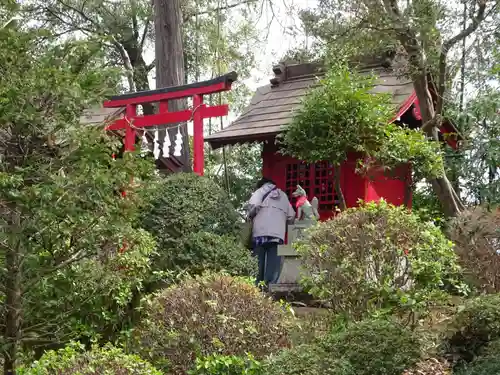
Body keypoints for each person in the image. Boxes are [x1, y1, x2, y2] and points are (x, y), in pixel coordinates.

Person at [246, 177, 295, 289]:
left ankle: (256, 286)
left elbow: (253, 206)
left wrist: (251, 215)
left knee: (257, 261)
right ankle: (270, 286)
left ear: (261, 185)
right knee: (274, 262)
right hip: (277, 234)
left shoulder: (259, 192)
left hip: (260, 233)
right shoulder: (283, 196)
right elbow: (291, 215)